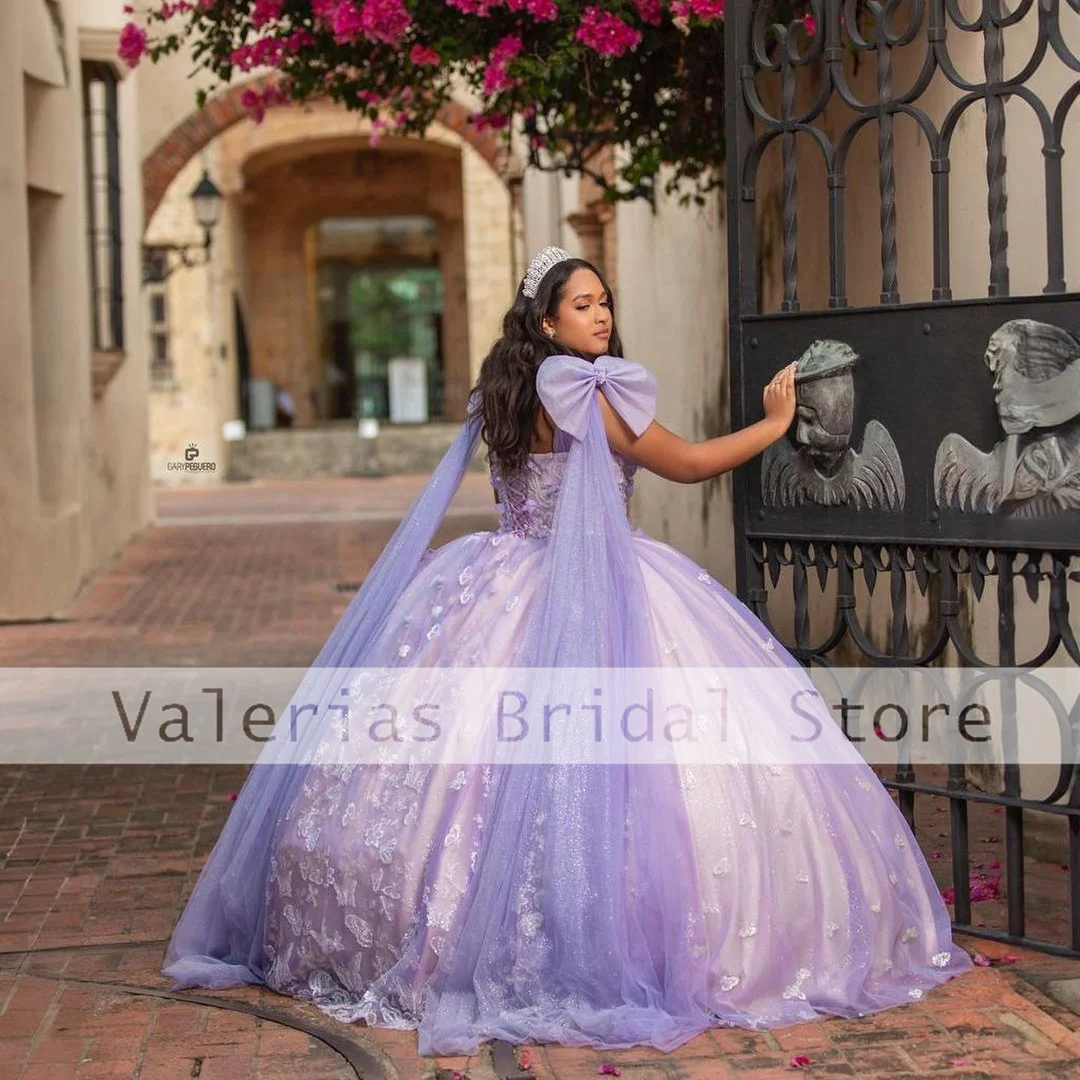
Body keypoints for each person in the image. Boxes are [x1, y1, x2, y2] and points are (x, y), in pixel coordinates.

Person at [162, 246, 972, 1057]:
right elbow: (686, 464)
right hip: (589, 588)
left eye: (604, 300)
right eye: (583, 305)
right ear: (548, 320)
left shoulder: (505, 395)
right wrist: (771, 425)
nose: (602, 314)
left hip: (495, 583)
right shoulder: (591, 394)